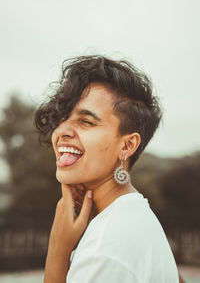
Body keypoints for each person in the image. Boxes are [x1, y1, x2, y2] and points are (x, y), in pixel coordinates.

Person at [34, 55, 183, 283]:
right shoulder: (133, 217)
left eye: (86, 122)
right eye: (63, 117)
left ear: (127, 145)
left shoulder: (106, 251)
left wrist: (57, 250)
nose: (62, 130)